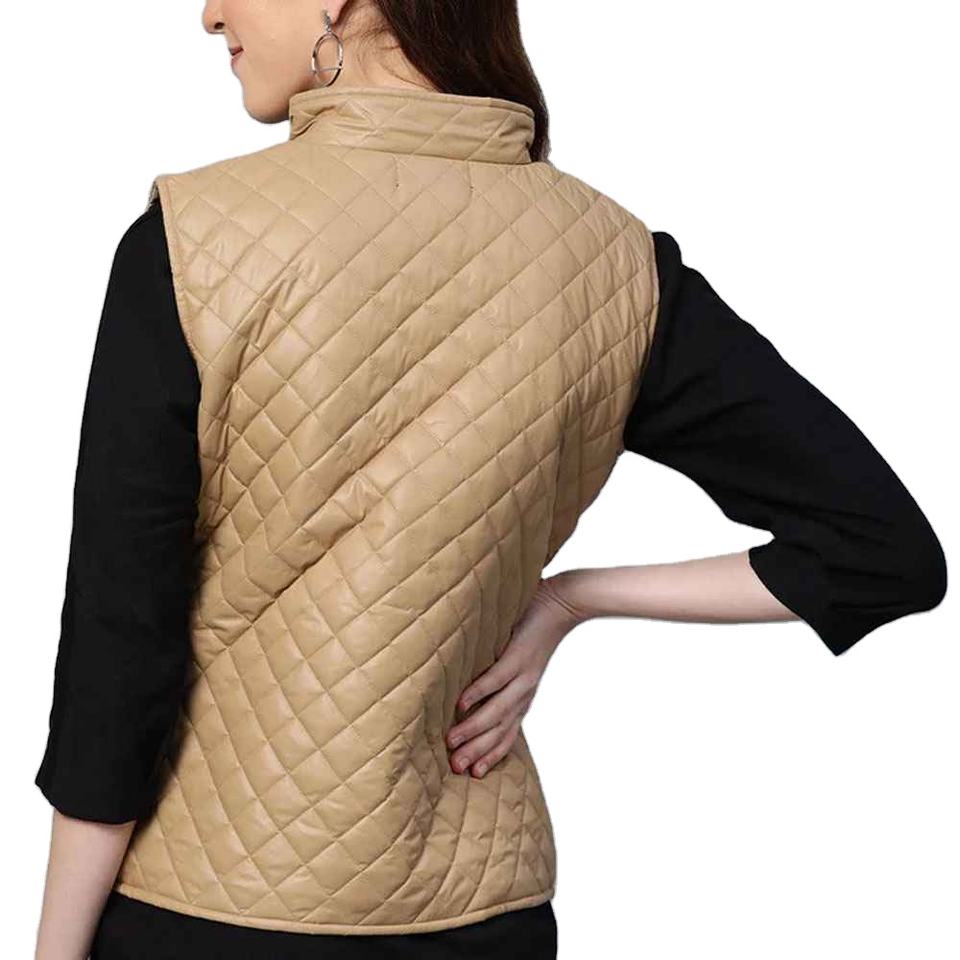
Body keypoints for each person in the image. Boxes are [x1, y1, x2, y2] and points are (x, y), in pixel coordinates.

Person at [33, 2, 947, 958]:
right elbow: (881, 551)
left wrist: (57, 947)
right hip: (481, 913)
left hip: (212, 909)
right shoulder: (615, 260)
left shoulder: (198, 240)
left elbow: (117, 651)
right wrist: (569, 600)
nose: (209, 13)